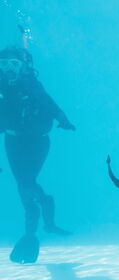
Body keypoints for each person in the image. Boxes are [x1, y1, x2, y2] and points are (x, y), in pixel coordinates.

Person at [0, 46, 75, 264]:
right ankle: (33, 232)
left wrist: (63, 119)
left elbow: (49, 103)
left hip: (37, 142)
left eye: (14, 64)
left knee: (26, 182)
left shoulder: (31, 83)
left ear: (23, 66)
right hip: (13, 141)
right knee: (23, 186)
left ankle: (46, 210)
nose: (8, 69)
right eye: (3, 64)